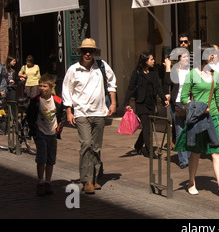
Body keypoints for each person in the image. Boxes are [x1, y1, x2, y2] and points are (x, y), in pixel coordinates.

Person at [174, 43, 219, 198]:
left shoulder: (215, 75)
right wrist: (196, 106)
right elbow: (183, 97)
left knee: (216, 152)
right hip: (198, 118)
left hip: (213, 117)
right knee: (196, 152)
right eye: (212, 54)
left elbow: (218, 99)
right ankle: (191, 182)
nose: (214, 57)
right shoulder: (192, 75)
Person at [62, 38, 117, 194]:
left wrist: (112, 103)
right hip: (81, 112)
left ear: (94, 53)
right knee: (86, 143)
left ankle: (94, 177)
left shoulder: (101, 66)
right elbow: (66, 90)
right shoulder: (73, 70)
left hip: (99, 112)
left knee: (96, 146)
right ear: (80, 52)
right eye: (85, 51)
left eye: (91, 51)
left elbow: (112, 83)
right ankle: (87, 180)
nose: (88, 54)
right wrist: (68, 111)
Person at [27, 73, 66, 196]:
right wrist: (34, 129)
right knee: (41, 158)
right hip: (40, 132)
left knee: (51, 159)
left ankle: (48, 182)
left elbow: (62, 116)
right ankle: (40, 181)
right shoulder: (36, 101)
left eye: (45, 86)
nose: (42, 89)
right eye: (40, 86)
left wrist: (58, 129)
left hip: (52, 133)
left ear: (51, 87)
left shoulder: (58, 101)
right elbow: (30, 115)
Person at [124, 52, 169, 157]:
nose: (154, 61)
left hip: (151, 103)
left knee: (147, 127)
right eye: (151, 59)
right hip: (141, 104)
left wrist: (163, 99)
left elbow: (158, 87)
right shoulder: (137, 73)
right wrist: (126, 103)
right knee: (147, 127)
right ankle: (150, 151)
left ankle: (138, 145)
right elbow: (131, 88)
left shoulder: (153, 72)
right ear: (145, 60)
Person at [164, 44, 193, 169]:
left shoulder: (191, 71)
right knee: (180, 130)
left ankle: (190, 156)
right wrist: (168, 68)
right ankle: (183, 160)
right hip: (177, 103)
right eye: (185, 57)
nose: (187, 59)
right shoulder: (175, 70)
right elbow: (168, 82)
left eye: (188, 57)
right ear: (180, 58)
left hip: (188, 103)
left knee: (189, 130)